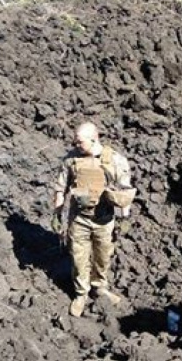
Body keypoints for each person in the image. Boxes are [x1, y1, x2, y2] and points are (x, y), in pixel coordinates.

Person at [52, 122, 136, 317]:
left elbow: (124, 192)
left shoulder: (114, 160)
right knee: (79, 257)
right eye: (75, 141)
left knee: (103, 256)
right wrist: (57, 213)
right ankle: (81, 293)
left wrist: (123, 218)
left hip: (104, 219)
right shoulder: (71, 160)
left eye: (80, 142)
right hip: (79, 219)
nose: (76, 145)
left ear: (94, 138)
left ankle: (100, 287)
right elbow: (60, 188)